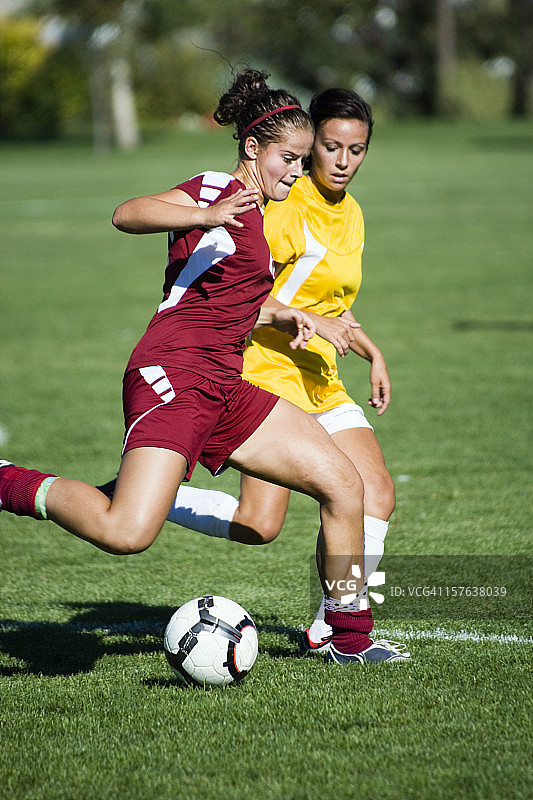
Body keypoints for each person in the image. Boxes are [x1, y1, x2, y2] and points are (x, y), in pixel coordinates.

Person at [0, 69, 403, 665]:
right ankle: (6, 478)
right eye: (289, 159)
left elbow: (236, 298)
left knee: (346, 485)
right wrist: (200, 216)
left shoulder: (266, 219)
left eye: (300, 160)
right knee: (126, 534)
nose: (298, 171)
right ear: (252, 149)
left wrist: (298, 316)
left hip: (227, 383)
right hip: (173, 373)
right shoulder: (215, 187)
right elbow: (127, 212)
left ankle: (349, 638)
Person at [161, 87, 408, 664]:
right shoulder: (282, 207)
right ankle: (145, 496)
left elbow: (328, 299)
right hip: (267, 369)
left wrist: (369, 346)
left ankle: (333, 627)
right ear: (307, 144)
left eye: (358, 149)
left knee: (377, 493)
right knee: (258, 523)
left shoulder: (352, 214)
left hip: (318, 373)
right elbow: (246, 290)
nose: (344, 160)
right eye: (331, 146)